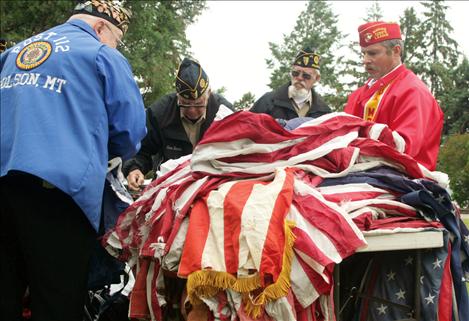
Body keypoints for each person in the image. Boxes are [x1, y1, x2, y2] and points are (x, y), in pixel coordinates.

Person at [0, 1, 146, 320]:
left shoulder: (14, 52)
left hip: (4, 186)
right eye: (117, 39)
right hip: (58, 196)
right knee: (57, 301)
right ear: (99, 28)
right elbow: (130, 129)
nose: (115, 46)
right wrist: (107, 154)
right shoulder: (100, 54)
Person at [344, 21, 443, 171]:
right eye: (363, 53)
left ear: (396, 51)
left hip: (403, 181)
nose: (365, 60)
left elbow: (403, 148)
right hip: (362, 175)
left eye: (372, 53)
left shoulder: (414, 91)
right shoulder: (357, 95)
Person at [125, 57, 233, 191]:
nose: (192, 111)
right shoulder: (160, 113)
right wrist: (135, 168)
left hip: (213, 183)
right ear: (177, 96)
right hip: (170, 185)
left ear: (209, 93)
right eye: (185, 104)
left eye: (199, 104)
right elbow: (141, 149)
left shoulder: (225, 113)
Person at [250, 47, 331, 121]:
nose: (299, 78)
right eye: (295, 73)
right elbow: (246, 127)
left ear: (316, 78)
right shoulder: (268, 100)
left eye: (306, 76)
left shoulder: (324, 112)